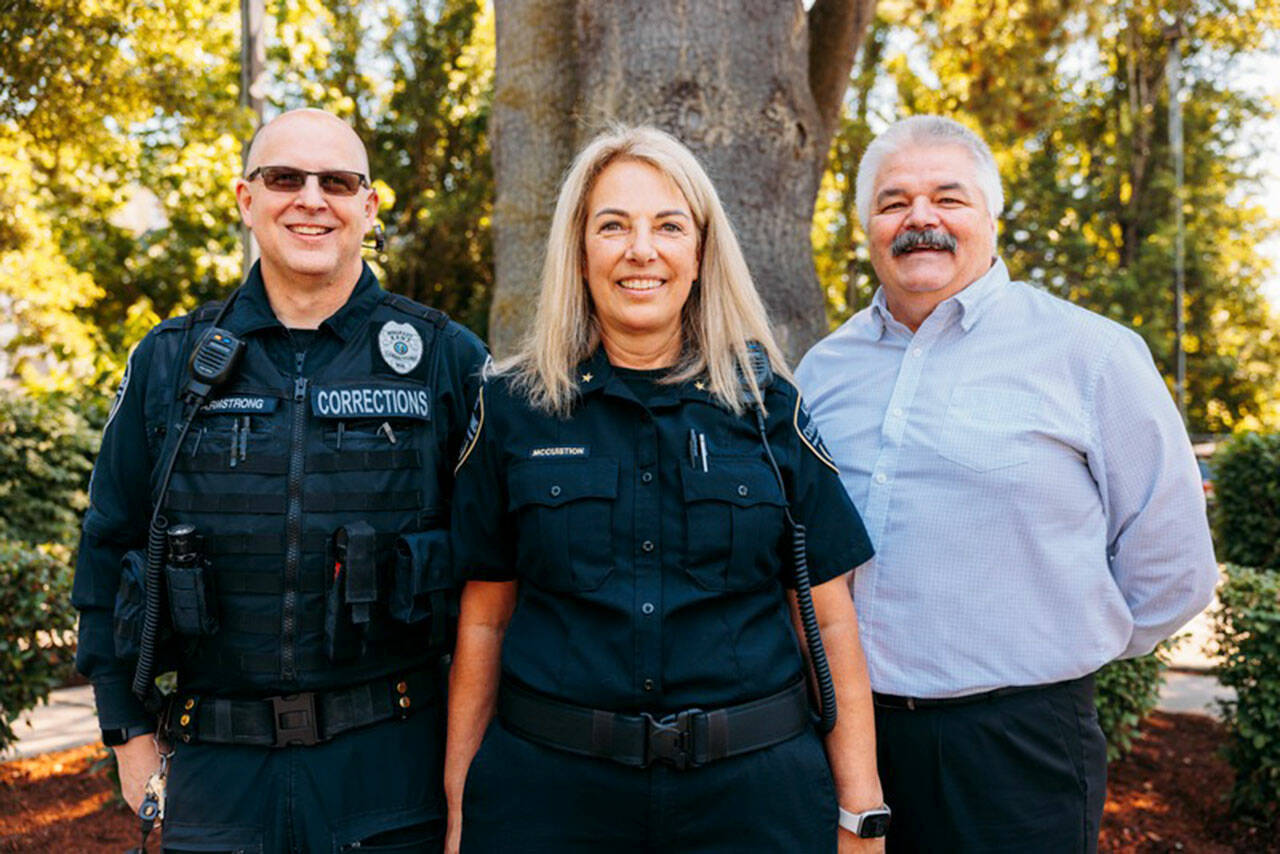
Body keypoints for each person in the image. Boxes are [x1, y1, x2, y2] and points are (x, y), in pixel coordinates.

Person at [443, 126, 888, 853]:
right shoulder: (511, 409)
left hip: (753, 805)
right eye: (612, 225)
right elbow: (485, 622)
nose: (640, 250)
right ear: (579, 252)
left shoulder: (769, 406)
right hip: (549, 802)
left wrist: (860, 810)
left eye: (668, 226)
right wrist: (463, 811)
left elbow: (830, 620)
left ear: (702, 253)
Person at [796, 114, 1218, 853]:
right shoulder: (823, 372)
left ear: (991, 214)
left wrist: (1055, 651)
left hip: (1021, 751)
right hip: (845, 740)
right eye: (894, 201)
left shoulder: (1092, 355)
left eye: (948, 198)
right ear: (867, 224)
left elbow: (1173, 567)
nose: (919, 218)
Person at [71, 108, 488, 852]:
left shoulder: (444, 360)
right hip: (216, 775)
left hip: (394, 770)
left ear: (369, 205)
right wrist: (127, 736)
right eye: (285, 178)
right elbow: (108, 549)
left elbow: (501, 575)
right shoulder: (170, 363)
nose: (310, 198)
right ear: (245, 199)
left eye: (337, 181)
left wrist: (471, 774)